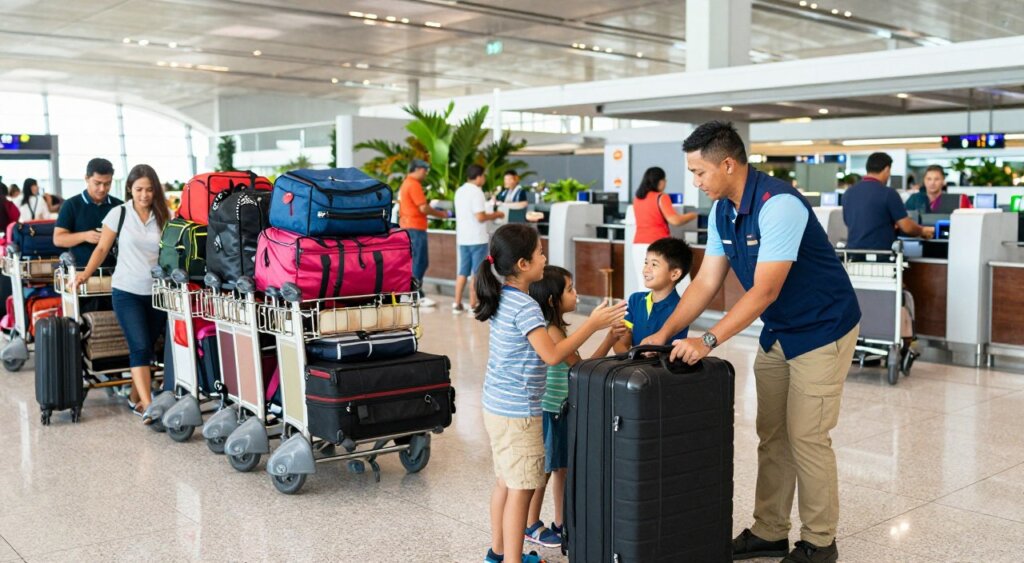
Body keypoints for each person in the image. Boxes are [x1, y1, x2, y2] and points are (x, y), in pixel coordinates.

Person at [642, 121, 861, 563]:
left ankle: (820, 542)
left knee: (808, 436)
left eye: (700, 172)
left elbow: (764, 290)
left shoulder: (778, 205)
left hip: (822, 329)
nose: (696, 182)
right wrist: (664, 334)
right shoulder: (723, 211)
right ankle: (770, 531)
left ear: (727, 164)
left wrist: (707, 339)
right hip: (780, 331)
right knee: (772, 434)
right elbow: (705, 282)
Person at [475, 224, 626, 563]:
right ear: (524, 264)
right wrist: (593, 324)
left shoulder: (503, 298)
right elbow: (553, 355)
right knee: (520, 490)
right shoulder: (526, 307)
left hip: (496, 406)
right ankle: (512, 560)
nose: (545, 257)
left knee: (504, 482)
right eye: (541, 252)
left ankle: (497, 554)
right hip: (518, 413)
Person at [524, 266, 626, 550]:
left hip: (560, 410)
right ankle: (531, 524)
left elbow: (581, 371)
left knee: (561, 468)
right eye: (570, 289)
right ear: (553, 300)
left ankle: (561, 521)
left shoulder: (558, 329)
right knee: (544, 472)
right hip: (550, 412)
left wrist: (607, 339)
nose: (575, 293)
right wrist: (599, 331)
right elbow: (581, 369)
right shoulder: (552, 331)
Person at [73, 164, 169, 421]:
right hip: (126, 291)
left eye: (149, 189)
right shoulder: (119, 213)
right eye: (139, 189)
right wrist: (85, 274)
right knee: (138, 346)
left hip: (156, 293)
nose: (144, 195)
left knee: (148, 347)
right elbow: (102, 249)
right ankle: (149, 407)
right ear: (130, 189)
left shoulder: (163, 214)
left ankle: (135, 398)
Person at [605, 236, 693, 355]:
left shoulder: (681, 310)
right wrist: (630, 358)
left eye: (654, 264)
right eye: (646, 263)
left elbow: (674, 353)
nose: (646, 269)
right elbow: (621, 341)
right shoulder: (635, 300)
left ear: (675, 274)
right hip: (633, 367)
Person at [842, 152, 932, 250]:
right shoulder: (888, 193)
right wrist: (922, 231)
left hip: (853, 255)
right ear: (887, 169)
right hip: (881, 257)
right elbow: (907, 227)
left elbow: (848, 222)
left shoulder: (848, 193)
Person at [631, 166, 697, 290]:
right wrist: (692, 215)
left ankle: (646, 309)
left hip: (638, 244)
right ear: (660, 181)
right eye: (665, 180)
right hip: (659, 245)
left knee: (645, 283)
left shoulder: (637, 199)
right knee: (674, 281)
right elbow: (674, 220)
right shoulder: (661, 197)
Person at [398, 159, 450, 308]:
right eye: (425, 170)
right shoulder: (413, 184)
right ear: (418, 169)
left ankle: (412, 294)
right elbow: (423, 208)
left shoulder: (405, 183)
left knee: (414, 262)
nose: (426, 173)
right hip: (415, 227)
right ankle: (417, 295)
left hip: (408, 226)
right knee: (420, 261)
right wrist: (441, 214)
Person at [453, 164, 504, 314]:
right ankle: (473, 304)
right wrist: (496, 215)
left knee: (462, 272)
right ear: (479, 176)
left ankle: (457, 304)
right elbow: (480, 216)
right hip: (477, 238)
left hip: (463, 238)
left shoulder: (460, 191)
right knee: (477, 272)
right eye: (484, 176)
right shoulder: (477, 192)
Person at [54, 158, 123, 268]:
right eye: (97, 183)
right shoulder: (71, 205)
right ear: (87, 178)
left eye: (107, 184)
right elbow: (58, 239)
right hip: (80, 271)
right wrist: (85, 236)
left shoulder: (119, 206)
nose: (102, 189)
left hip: (114, 271)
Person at [904, 165, 972, 215]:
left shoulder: (953, 201)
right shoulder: (914, 199)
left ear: (943, 181)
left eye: (936, 179)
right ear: (924, 180)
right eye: (929, 179)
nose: (932, 183)